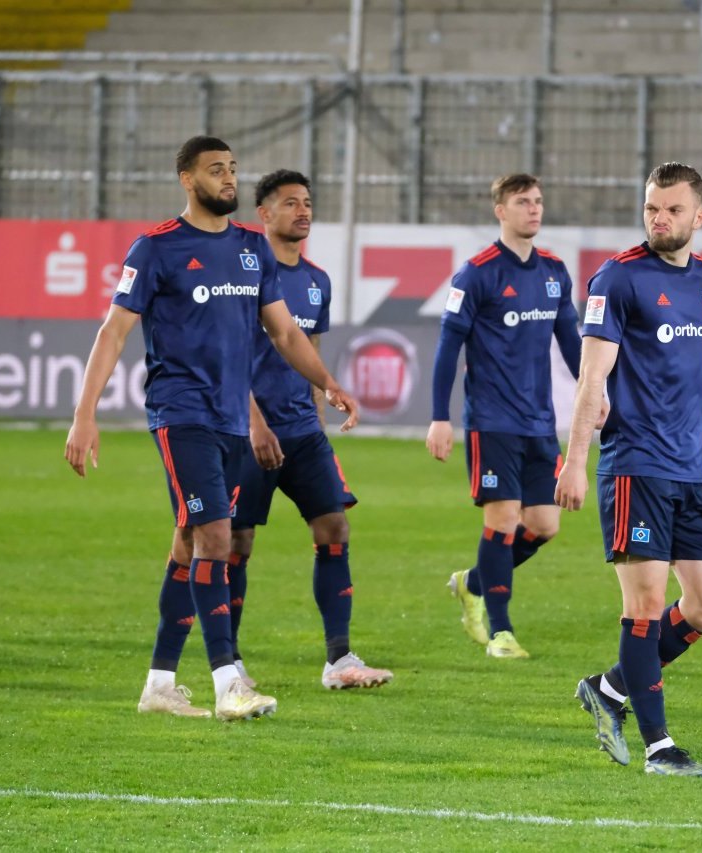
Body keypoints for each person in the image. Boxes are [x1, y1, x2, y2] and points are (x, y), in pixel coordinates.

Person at [64, 136, 360, 722]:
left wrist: (327, 382)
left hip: (230, 421)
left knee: (188, 544)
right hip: (182, 415)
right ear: (186, 179)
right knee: (217, 540)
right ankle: (230, 683)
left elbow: (285, 333)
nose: (227, 179)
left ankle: (160, 684)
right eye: (215, 170)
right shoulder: (156, 249)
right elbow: (114, 333)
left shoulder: (253, 250)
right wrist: (84, 413)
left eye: (231, 170)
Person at [555, 162, 702, 776]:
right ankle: (660, 748)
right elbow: (592, 377)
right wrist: (576, 461)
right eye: (652, 207)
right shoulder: (618, 279)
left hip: (694, 472)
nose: (660, 218)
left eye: (673, 210)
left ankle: (608, 690)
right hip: (634, 467)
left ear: (698, 216)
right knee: (647, 606)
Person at [227, 169, 391, 691]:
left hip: (302, 431)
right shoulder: (242, 272)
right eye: (290, 203)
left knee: (334, 529)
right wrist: (254, 423)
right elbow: (228, 359)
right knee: (236, 543)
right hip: (247, 431)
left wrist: (321, 406)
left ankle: (340, 660)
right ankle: (229, 663)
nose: (303, 211)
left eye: (307, 203)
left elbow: (310, 353)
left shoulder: (317, 280)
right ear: (264, 214)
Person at [426, 173, 599, 659]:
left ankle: (473, 582)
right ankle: (501, 633)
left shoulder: (553, 271)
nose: (534, 210)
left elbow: (571, 341)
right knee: (502, 521)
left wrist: (595, 391)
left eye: (539, 201)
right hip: (492, 420)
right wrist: (440, 417)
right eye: (523, 202)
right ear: (500, 210)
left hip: (539, 423)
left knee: (544, 525)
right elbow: (447, 348)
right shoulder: (476, 273)